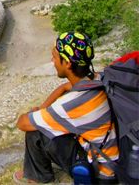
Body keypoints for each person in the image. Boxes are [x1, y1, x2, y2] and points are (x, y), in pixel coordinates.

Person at [14, 31, 119, 184]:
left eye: (55, 57)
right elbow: (65, 87)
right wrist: (43, 108)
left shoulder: (70, 104)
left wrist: (37, 112)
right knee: (43, 122)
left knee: (36, 131)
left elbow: (22, 123)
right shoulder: (98, 79)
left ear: (68, 63)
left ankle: (38, 178)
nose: (52, 61)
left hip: (100, 173)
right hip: (111, 157)